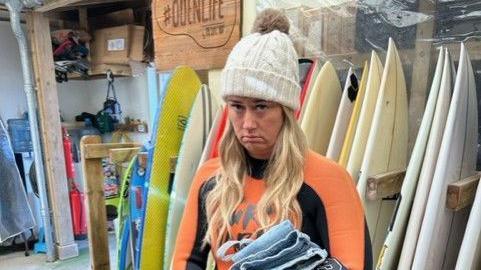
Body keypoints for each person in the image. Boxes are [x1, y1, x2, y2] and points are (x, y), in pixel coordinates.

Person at [172, 8, 372, 270]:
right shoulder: (210, 181)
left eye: (261, 106)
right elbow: (186, 263)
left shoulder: (329, 181)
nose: (248, 124)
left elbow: (354, 266)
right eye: (237, 106)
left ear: (286, 110)